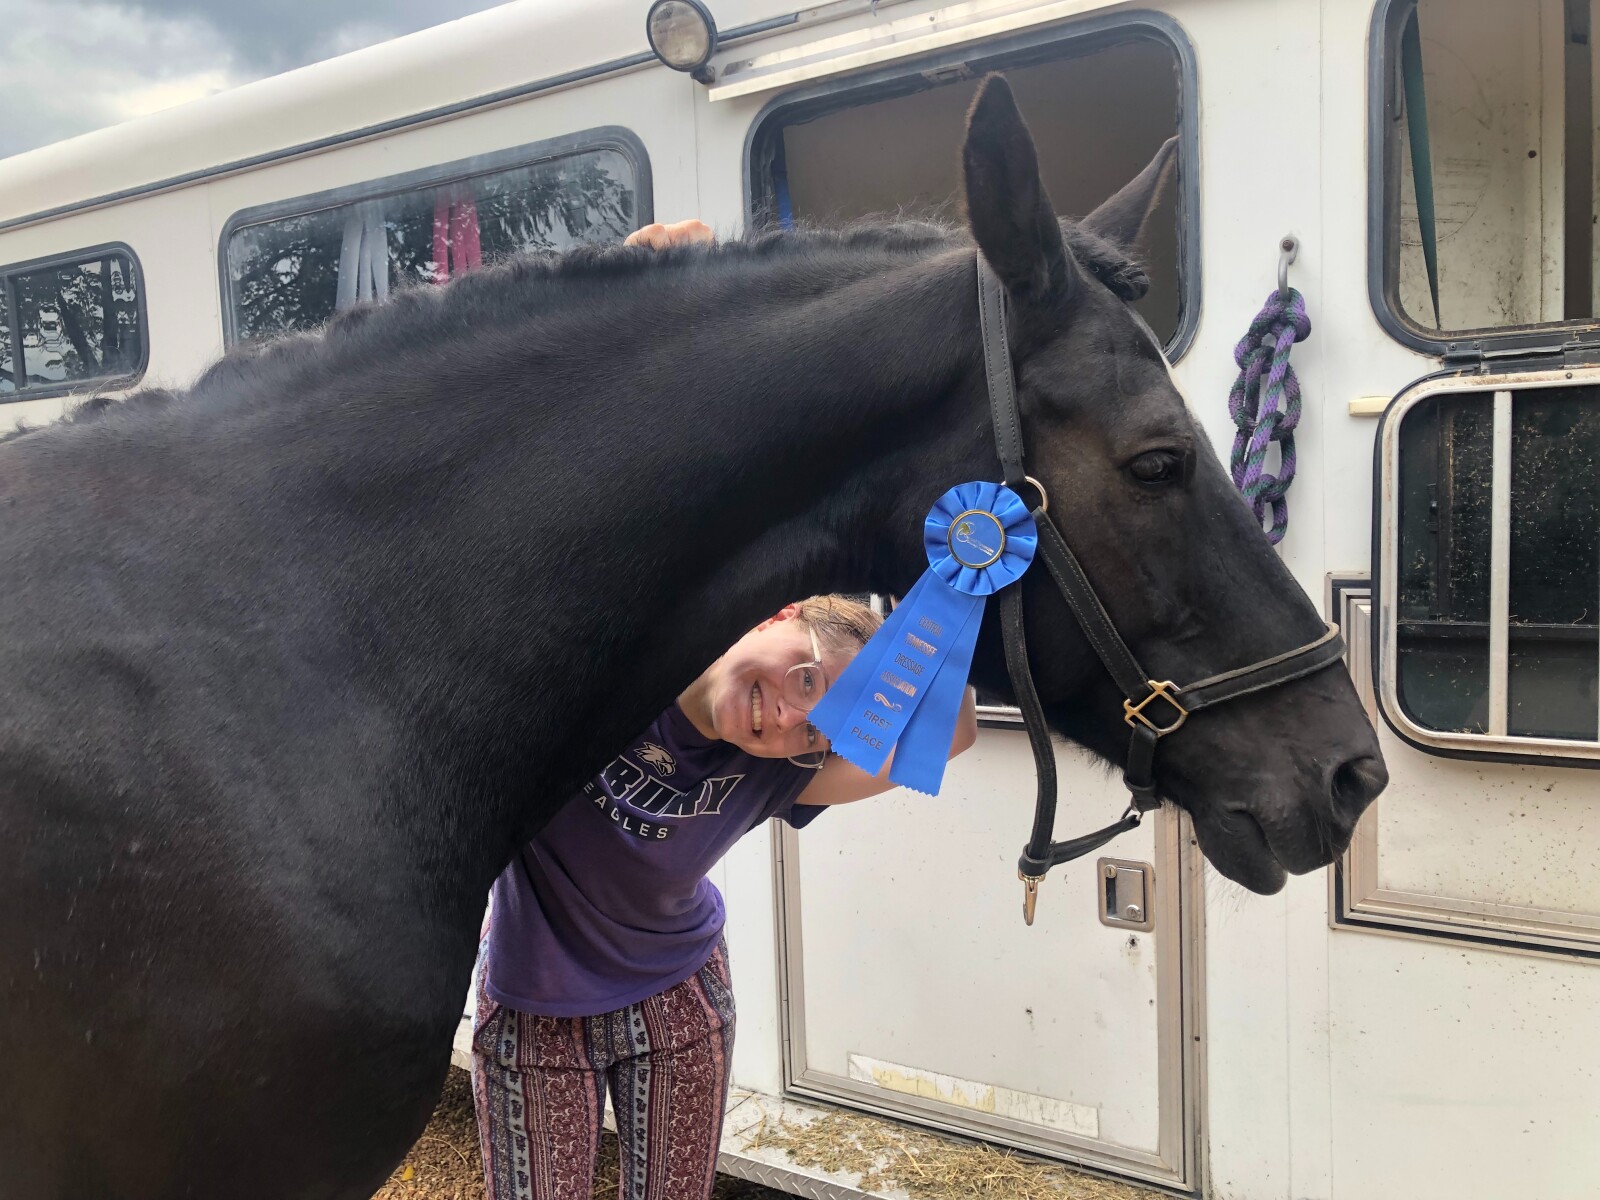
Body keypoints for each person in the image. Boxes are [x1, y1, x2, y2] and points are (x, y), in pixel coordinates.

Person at [470, 593, 978, 1200]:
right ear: (779, 614)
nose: (789, 717)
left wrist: (953, 591)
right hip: (533, 999)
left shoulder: (781, 772)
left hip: (678, 1005)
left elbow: (954, 732)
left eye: (815, 731)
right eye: (809, 679)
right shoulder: (612, 663)